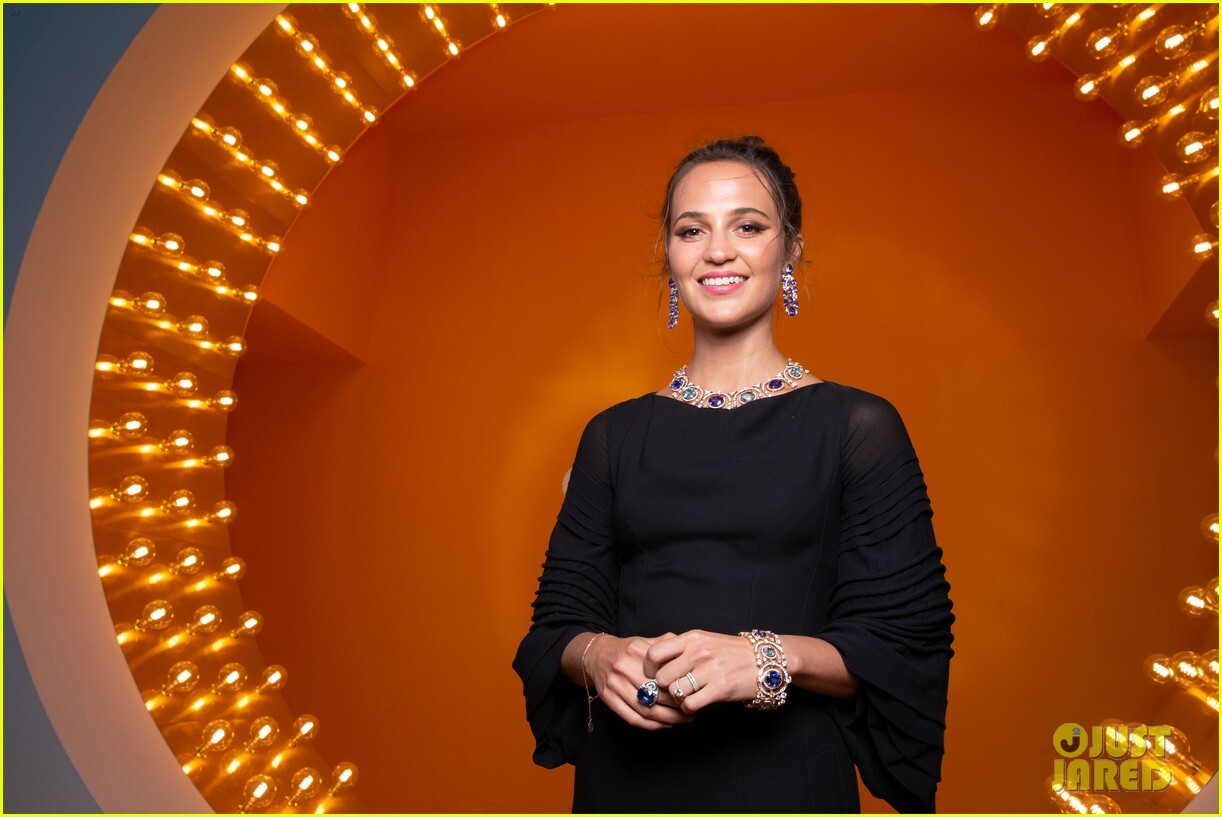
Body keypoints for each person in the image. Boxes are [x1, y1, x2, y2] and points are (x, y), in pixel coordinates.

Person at [512, 136, 954, 813]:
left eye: (748, 226)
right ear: (669, 255)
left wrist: (766, 658)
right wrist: (597, 655)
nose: (718, 250)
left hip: (788, 782)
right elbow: (555, 628)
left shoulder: (857, 426)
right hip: (626, 783)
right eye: (692, 230)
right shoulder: (612, 436)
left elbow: (901, 644)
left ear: (791, 248)